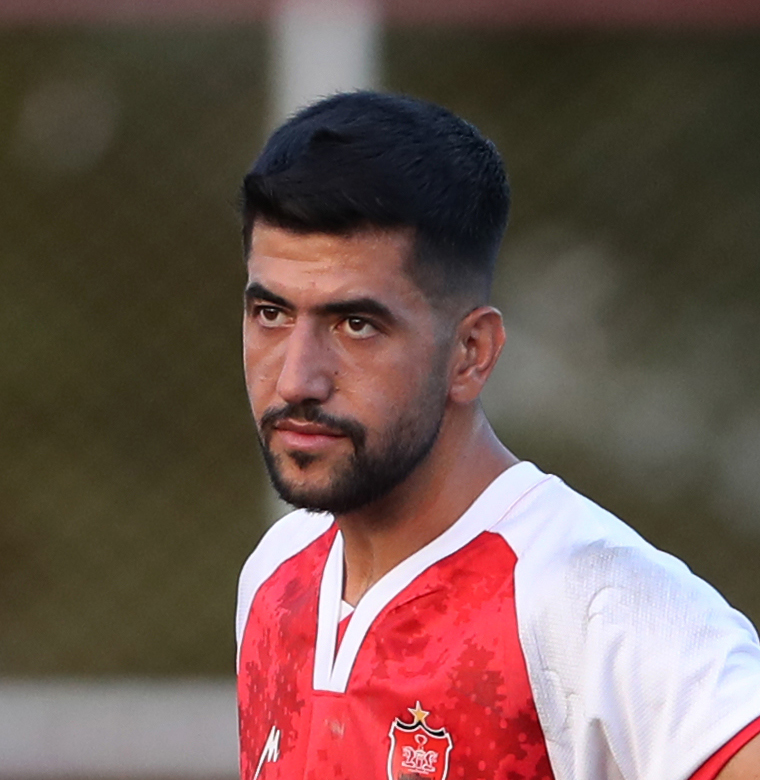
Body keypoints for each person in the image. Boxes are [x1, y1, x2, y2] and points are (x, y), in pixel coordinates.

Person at [235, 91, 760, 780]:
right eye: (271, 314)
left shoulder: (594, 602)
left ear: (471, 353)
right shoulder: (276, 573)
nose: (296, 378)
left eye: (356, 325)